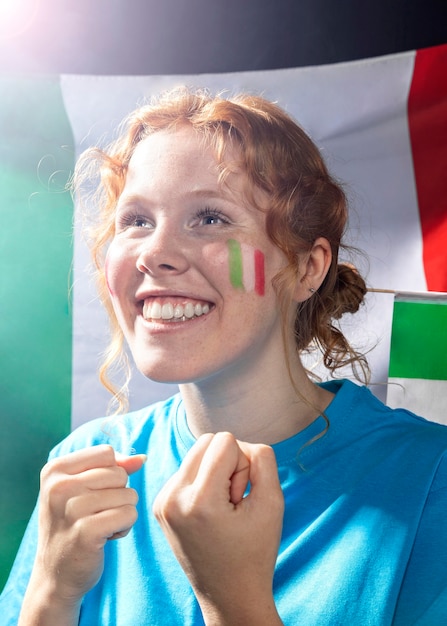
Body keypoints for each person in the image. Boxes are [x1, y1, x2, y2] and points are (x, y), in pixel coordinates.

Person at [1, 87, 447, 625]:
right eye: (136, 220)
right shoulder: (87, 461)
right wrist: (50, 591)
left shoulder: (430, 480)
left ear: (308, 267)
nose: (155, 254)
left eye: (210, 218)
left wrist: (232, 600)